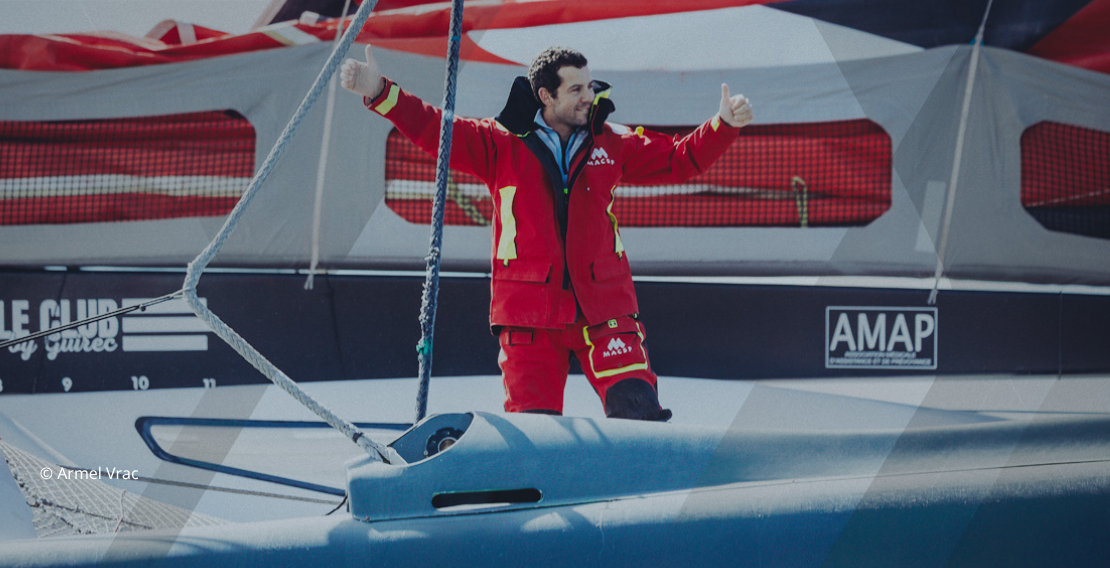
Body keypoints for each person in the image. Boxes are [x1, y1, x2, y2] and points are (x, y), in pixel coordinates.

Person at [341, 45, 753, 421]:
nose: (588, 97)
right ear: (546, 97)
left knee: (639, 414)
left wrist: (723, 125)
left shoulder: (612, 141)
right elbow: (434, 128)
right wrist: (378, 90)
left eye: (589, 86)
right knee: (535, 433)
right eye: (575, 89)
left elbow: (680, 160)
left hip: (605, 308)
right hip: (528, 316)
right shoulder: (496, 141)